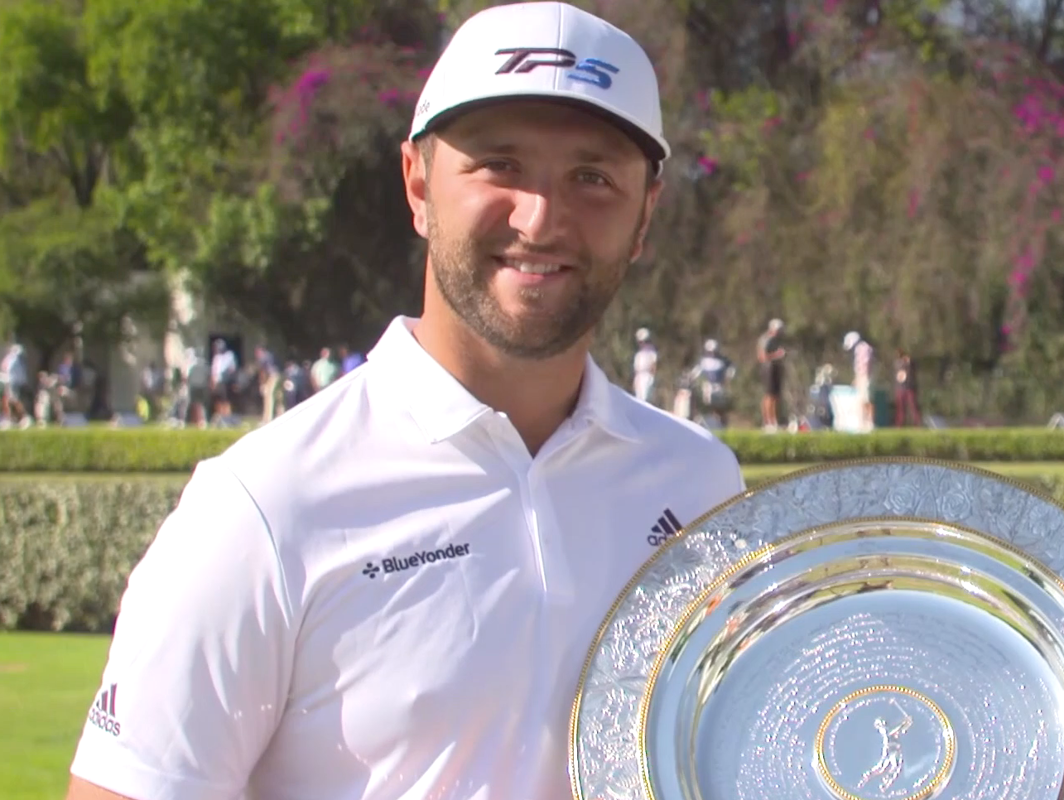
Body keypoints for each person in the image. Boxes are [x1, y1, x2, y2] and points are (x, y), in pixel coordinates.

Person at [64, 4, 745, 800]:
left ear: (643, 217)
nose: (541, 217)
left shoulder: (700, 488)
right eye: (499, 165)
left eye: (592, 177)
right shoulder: (265, 505)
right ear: (419, 186)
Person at [686, 338, 735, 428]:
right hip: (707, 388)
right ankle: (706, 424)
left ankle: (722, 426)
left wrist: (727, 379)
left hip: (719, 387)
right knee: (705, 408)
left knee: (720, 409)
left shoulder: (723, 361)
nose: (712, 354)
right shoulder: (703, 361)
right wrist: (690, 378)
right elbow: (695, 373)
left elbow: (731, 371)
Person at [756, 318, 786, 431]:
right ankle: (768, 421)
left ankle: (774, 420)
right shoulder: (766, 339)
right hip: (768, 368)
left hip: (776, 368)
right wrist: (777, 355)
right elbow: (762, 357)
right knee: (769, 395)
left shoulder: (777, 340)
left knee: (775, 396)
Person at [843, 330, 875, 431]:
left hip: (864, 377)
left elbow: (864, 365)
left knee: (866, 400)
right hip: (862, 377)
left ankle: (869, 423)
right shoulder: (860, 349)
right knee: (861, 400)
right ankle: (863, 423)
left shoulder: (863, 348)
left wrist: (860, 378)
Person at [893, 347, 921, 427]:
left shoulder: (910, 363)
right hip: (900, 388)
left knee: (913, 406)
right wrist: (906, 362)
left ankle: (917, 423)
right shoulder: (897, 363)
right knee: (900, 408)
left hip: (909, 387)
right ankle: (899, 424)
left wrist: (909, 361)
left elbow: (913, 367)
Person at [632, 326, 657, 403]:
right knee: (638, 398)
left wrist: (651, 377)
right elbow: (636, 368)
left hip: (646, 375)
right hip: (639, 375)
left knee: (644, 399)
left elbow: (653, 365)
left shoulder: (651, 351)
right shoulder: (639, 353)